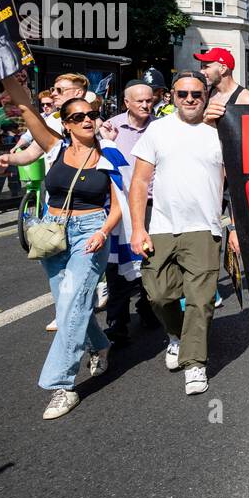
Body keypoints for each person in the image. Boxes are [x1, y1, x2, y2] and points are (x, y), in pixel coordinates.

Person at [0, 69, 124, 420]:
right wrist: (3, 66)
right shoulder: (55, 146)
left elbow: (119, 205)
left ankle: (62, 385)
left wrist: (103, 233)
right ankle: (100, 344)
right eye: (78, 117)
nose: (87, 120)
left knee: (71, 303)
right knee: (71, 303)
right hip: (53, 230)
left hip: (90, 233)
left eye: (92, 115)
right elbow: (26, 109)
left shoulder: (110, 155)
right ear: (66, 123)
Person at [128, 72, 235, 398]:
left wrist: (235, 228)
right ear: (171, 96)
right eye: (183, 94)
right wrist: (137, 227)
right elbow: (140, 182)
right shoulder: (158, 130)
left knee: (201, 301)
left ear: (207, 96)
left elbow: (241, 183)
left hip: (205, 229)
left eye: (196, 94)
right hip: (162, 227)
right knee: (159, 295)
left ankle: (194, 364)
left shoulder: (222, 131)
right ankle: (176, 334)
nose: (190, 99)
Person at [98, 81, 160, 346]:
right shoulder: (111, 129)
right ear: (126, 103)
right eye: (140, 101)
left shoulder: (161, 126)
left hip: (154, 205)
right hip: (121, 205)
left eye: (149, 100)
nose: (146, 105)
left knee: (151, 259)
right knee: (118, 266)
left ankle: (148, 309)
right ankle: (118, 321)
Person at [197, 47, 249, 126]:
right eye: (201, 67)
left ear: (223, 69)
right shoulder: (206, 93)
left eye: (206, 67)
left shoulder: (247, 99)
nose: (201, 71)